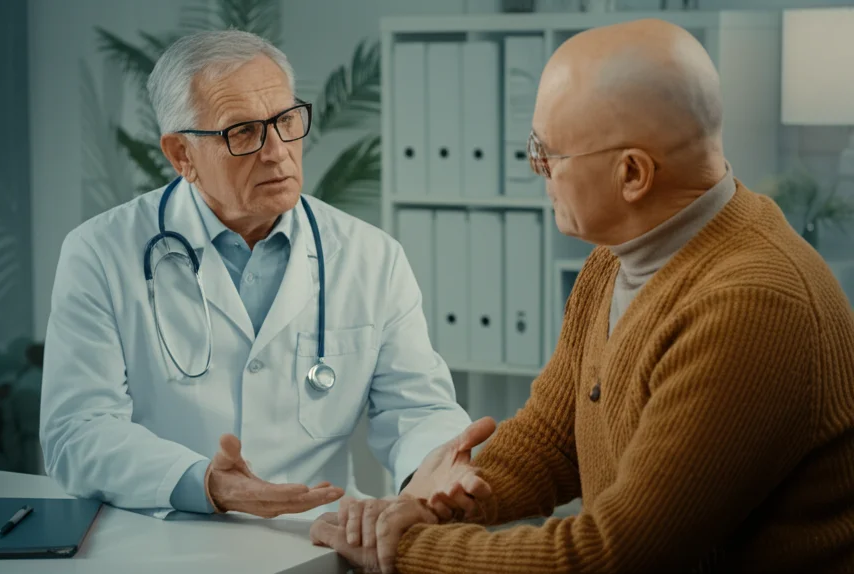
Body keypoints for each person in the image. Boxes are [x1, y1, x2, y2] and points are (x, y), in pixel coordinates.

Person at [311, 17, 854, 573]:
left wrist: (407, 549)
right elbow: (553, 438)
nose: (538, 169)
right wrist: (447, 496)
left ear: (632, 174)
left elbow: (611, 557)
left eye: (547, 153)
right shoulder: (614, 259)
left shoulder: (754, 305)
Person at [38, 29, 480, 521]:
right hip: (166, 537)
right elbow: (77, 432)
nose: (277, 151)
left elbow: (416, 408)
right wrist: (203, 483)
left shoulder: (371, 257)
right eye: (243, 132)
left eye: (287, 120)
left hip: (316, 539)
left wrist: (440, 466)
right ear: (182, 154)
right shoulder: (99, 253)